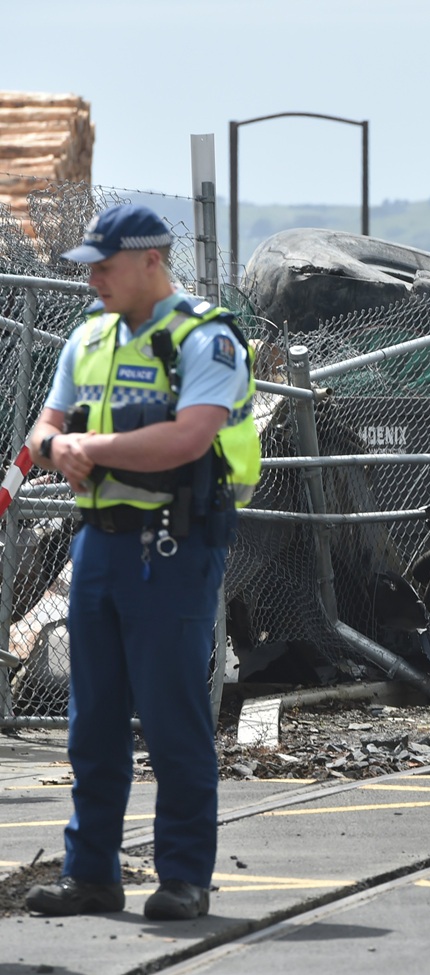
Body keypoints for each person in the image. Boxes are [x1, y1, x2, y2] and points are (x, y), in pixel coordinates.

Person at [23, 203, 261, 921]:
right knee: (90, 720)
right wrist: (49, 446)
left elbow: (189, 438)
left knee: (171, 715)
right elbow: (47, 424)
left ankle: (184, 875)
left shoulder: (204, 340)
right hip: (98, 543)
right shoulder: (87, 338)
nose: (93, 278)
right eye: (88, 267)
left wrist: (84, 450)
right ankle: (90, 872)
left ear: (150, 261)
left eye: (105, 265)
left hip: (174, 544)